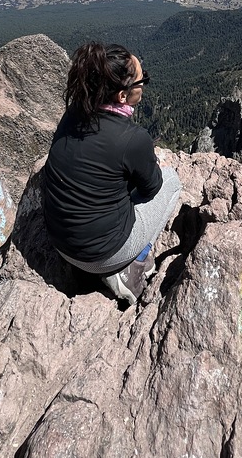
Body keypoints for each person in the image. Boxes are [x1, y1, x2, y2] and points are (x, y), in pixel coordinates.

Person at [43, 41, 182, 305]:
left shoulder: (74, 112)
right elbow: (151, 189)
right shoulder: (132, 139)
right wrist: (150, 164)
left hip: (60, 243)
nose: (143, 86)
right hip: (101, 256)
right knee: (172, 181)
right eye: (142, 81)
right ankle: (131, 268)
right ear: (122, 95)